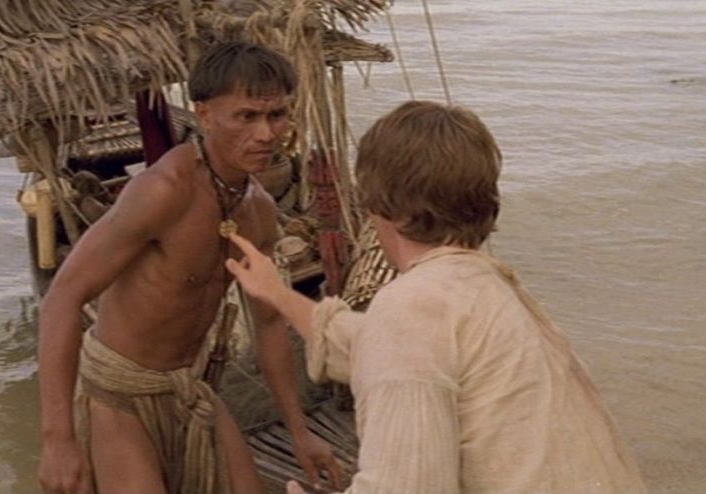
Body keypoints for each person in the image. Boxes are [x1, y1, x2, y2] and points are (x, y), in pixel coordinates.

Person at [226, 101, 648, 493]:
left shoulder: (410, 308)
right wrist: (278, 294)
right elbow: (375, 346)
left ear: (382, 204)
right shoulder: (485, 287)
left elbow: (408, 484)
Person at [37, 41, 342, 494]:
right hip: (120, 393)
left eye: (276, 115)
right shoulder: (163, 191)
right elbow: (63, 296)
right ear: (204, 115)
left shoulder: (258, 210)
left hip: (190, 386)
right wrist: (57, 439)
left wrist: (300, 433)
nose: (266, 133)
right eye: (246, 117)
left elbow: (269, 324)